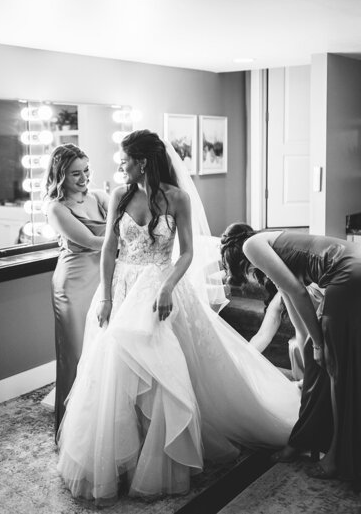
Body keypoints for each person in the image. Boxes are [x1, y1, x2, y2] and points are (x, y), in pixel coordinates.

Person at [56, 131, 300, 505]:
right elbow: (108, 249)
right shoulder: (121, 195)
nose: (119, 166)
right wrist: (104, 295)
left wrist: (168, 287)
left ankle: (160, 460)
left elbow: (185, 253)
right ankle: (119, 460)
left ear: (142, 162)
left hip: (160, 288)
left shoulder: (177, 198)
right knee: (112, 373)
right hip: (122, 289)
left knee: (161, 374)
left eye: (124, 160)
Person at [222, 222, 361, 485]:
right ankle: (304, 439)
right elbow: (290, 292)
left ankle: (335, 456)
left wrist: (320, 345)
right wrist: (310, 344)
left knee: (336, 372)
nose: (251, 275)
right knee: (319, 362)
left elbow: (298, 292)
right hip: (353, 265)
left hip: (345, 275)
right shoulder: (273, 244)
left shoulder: (252, 246)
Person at [43, 143, 109, 433]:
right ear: (60, 175)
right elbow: (91, 242)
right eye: (75, 174)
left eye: (86, 171)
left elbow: (128, 220)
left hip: (103, 278)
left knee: (102, 351)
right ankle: (70, 430)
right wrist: (131, 240)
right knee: (75, 354)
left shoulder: (99, 197)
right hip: (72, 284)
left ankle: (99, 426)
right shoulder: (56, 208)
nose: (83, 179)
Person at [221, 226, 324, 382]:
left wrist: (317, 344)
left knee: (302, 345)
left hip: (328, 308)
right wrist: (240, 362)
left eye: (246, 268)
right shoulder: (280, 289)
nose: (249, 275)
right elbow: (264, 334)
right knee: (299, 343)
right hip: (312, 326)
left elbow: (303, 325)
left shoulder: (298, 279)